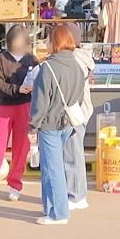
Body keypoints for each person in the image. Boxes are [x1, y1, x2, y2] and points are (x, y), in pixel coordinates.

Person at [29, 25, 88, 226]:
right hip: (68, 123)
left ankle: (59, 213)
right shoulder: (78, 66)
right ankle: (50, 207)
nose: (46, 43)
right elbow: (79, 97)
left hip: (49, 124)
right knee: (53, 166)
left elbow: (40, 102)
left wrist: (32, 127)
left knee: (52, 168)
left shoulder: (48, 68)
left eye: (48, 39)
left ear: (55, 42)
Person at [0, 26, 38, 203]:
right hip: (4, 106)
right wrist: (17, 89)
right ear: (9, 41)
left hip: (25, 106)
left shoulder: (31, 59)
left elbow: (38, 80)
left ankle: (15, 184)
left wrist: (30, 89)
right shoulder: (2, 59)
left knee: (21, 148)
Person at [64, 41, 95, 210]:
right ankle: (76, 192)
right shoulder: (83, 58)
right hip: (80, 111)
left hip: (73, 113)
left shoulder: (73, 59)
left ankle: (76, 195)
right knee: (73, 153)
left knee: (72, 154)